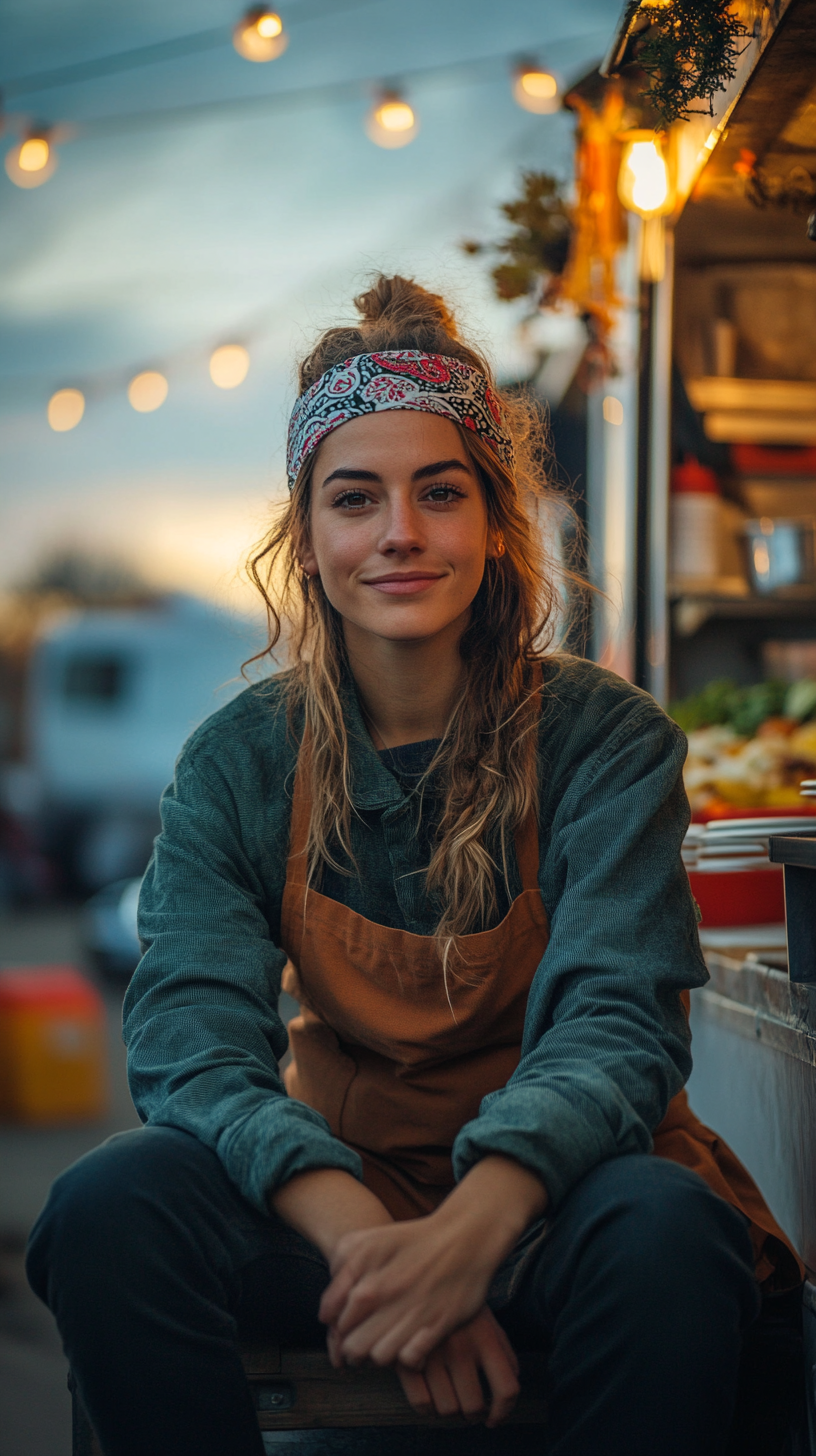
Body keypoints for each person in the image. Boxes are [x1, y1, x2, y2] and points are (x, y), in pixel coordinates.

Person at [27, 276, 802, 1456]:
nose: (399, 531)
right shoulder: (239, 761)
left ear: (495, 525)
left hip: (567, 1198)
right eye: (356, 498)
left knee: (668, 1228)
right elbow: (188, 1042)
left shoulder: (606, 739)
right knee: (108, 1207)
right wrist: (383, 1254)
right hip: (337, 1191)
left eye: (440, 492)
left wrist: (473, 1236)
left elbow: (618, 1025)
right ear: (308, 536)